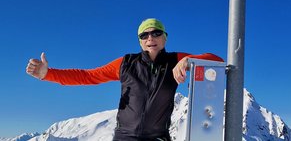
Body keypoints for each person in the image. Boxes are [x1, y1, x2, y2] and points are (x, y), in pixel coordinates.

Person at [26, 18, 223, 141]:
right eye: (144, 34)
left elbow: (217, 60)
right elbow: (88, 76)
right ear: (140, 41)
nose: (150, 37)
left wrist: (190, 61)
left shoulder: (175, 60)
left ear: (164, 38)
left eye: (156, 33)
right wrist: (48, 73)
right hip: (124, 138)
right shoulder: (126, 64)